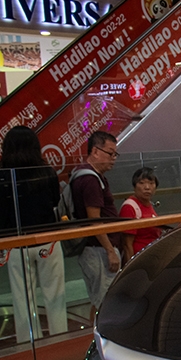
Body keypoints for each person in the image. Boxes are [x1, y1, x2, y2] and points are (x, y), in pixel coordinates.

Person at [0, 126, 68, 344]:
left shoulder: (3, 176)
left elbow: (1, 212)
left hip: (18, 243)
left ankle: (29, 345)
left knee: (23, 300)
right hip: (47, 240)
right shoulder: (46, 171)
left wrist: (0, 241)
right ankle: (60, 341)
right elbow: (55, 202)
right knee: (55, 295)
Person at [72, 130, 121, 321]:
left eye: (115, 154)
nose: (113, 159)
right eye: (110, 153)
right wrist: (110, 250)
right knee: (104, 301)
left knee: (100, 299)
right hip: (98, 249)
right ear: (95, 151)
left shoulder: (83, 174)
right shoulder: (90, 180)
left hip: (95, 248)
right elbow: (94, 220)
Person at [119, 167, 160, 264]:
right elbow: (127, 244)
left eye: (151, 183)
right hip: (139, 261)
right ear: (134, 186)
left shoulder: (149, 204)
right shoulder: (129, 207)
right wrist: (131, 267)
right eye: (141, 183)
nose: (147, 187)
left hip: (152, 258)